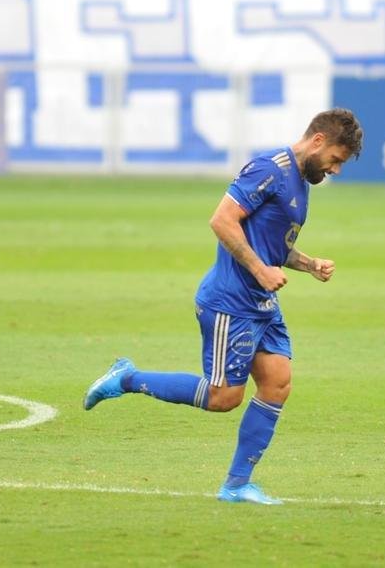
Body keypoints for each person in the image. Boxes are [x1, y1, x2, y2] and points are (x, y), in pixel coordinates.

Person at [82, 108, 364, 504]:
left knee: (277, 384)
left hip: (261, 302)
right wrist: (259, 270)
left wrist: (308, 264)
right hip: (231, 301)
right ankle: (127, 378)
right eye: (336, 159)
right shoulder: (269, 168)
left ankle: (235, 485)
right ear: (318, 141)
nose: (335, 169)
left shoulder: (301, 184)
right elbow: (222, 220)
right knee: (223, 398)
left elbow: (274, 248)